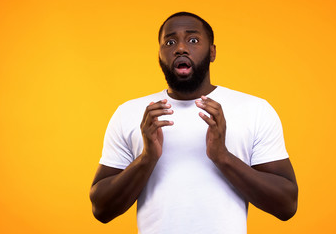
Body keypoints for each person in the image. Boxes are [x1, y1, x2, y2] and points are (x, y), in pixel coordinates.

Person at [90, 12, 298, 234]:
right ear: (159, 55)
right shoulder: (130, 113)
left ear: (212, 52)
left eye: (193, 40)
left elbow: (286, 205)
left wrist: (223, 157)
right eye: (170, 42)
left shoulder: (255, 109)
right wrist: (146, 158)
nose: (180, 48)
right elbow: (101, 209)